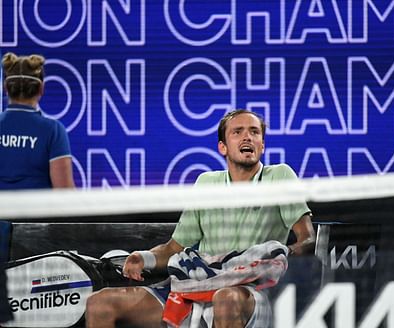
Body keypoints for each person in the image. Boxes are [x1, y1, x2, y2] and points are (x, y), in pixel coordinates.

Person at [85, 109, 315, 328]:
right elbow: (174, 247)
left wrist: (279, 254)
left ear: (262, 145)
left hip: (249, 290)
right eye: (238, 132)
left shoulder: (279, 176)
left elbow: (307, 239)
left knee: (225, 299)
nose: (248, 137)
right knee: (101, 302)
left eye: (254, 132)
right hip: (195, 284)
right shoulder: (206, 183)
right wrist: (144, 257)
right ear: (222, 147)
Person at [0, 52, 74, 189]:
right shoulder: (54, 131)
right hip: (38, 210)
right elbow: (65, 193)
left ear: (6, 88)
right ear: (41, 88)